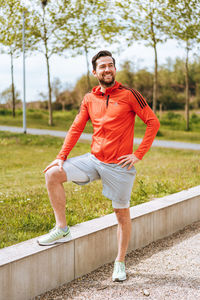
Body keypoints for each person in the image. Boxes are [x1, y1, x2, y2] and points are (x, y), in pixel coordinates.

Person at [37, 50, 160, 282]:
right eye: (102, 66)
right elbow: (76, 128)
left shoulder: (130, 95)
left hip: (119, 166)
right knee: (53, 174)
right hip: (94, 160)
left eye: (110, 65)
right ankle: (62, 228)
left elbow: (153, 122)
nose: (107, 69)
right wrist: (61, 156)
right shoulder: (88, 99)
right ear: (94, 72)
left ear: (115, 69)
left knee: (121, 213)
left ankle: (120, 262)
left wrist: (138, 155)